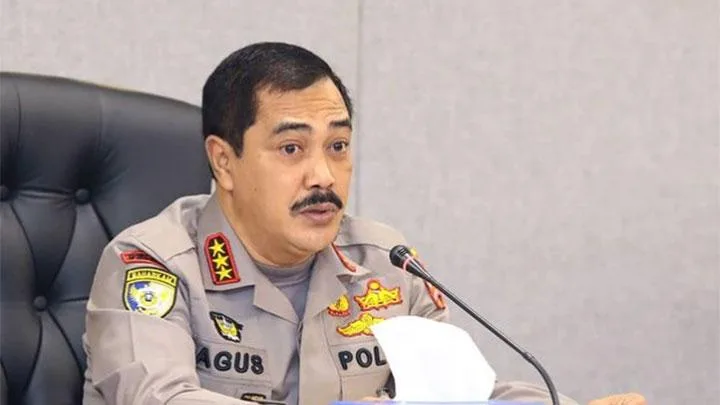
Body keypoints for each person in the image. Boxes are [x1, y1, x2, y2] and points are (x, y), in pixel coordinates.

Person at [82, 42, 646, 405]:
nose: (323, 175)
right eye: (292, 149)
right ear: (224, 161)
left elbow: (461, 394)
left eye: (339, 146)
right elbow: (162, 399)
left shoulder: (385, 262)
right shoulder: (151, 264)